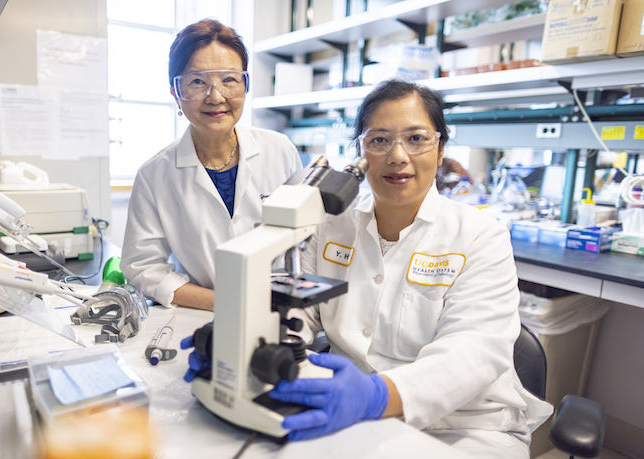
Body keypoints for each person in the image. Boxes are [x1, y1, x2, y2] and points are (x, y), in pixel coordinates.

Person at [183, 79, 552, 458]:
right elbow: (297, 313)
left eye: (416, 138)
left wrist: (379, 396)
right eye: (378, 140)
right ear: (360, 152)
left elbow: (472, 353)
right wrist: (237, 343)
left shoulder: (480, 236)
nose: (397, 156)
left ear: (440, 150)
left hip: (466, 428)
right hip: (349, 412)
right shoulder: (331, 223)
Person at [121, 19, 302, 311]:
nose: (216, 97)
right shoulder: (155, 175)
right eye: (197, 81)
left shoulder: (280, 151)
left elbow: (309, 238)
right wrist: (227, 303)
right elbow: (143, 266)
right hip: (205, 316)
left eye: (229, 80)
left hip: (283, 311)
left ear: (245, 85)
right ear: (175, 93)